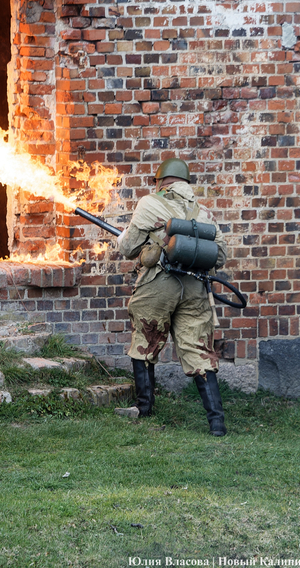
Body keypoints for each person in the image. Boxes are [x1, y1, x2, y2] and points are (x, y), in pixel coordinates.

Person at [114, 158, 230, 436]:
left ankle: (144, 407)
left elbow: (128, 248)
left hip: (158, 284)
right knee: (199, 350)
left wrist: (124, 238)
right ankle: (217, 423)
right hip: (196, 288)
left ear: (160, 181)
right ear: (185, 182)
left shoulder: (150, 203)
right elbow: (221, 257)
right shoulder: (204, 213)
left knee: (146, 341)